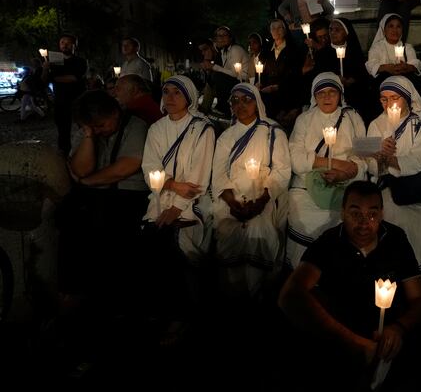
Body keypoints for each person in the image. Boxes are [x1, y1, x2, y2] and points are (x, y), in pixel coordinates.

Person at [278, 181, 421, 390]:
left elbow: (420, 299)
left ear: (382, 214)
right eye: (355, 213)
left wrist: (399, 328)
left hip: (388, 343)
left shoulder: (395, 239)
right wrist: (354, 343)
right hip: (341, 345)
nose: (364, 223)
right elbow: (289, 295)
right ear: (342, 213)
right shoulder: (330, 243)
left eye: (372, 214)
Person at [141, 75, 216, 341]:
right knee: (153, 247)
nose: (170, 98)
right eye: (166, 92)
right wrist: (173, 186)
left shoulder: (201, 129)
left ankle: (183, 315)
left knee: (177, 250)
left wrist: (178, 205)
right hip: (159, 199)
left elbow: (198, 177)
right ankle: (164, 308)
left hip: (191, 204)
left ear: (189, 97)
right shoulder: (156, 129)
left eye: (177, 93)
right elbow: (150, 169)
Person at [59, 89, 149, 309]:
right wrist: (89, 136)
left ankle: (112, 295)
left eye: (101, 125)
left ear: (115, 113)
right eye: (93, 127)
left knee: (107, 223)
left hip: (127, 192)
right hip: (95, 192)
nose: (99, 131)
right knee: (67, 220)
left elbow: (126, 167)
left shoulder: (136, 126)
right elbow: (81, 169)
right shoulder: (89, 128)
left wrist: (88, 182)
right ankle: (76, 289)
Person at [211, 82, 291, 297]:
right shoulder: (226, 137)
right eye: (235, 101)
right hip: (232, 196)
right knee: (229, 229)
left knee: (258, 227)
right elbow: (218, 174)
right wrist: (232, 202)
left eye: (247, 100)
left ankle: (259, 292)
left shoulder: (272, 132)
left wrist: (261, 201)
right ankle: (234, 293)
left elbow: (282, 170)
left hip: (264, 195)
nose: (240, 105)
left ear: (257, 103)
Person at [367, 76, 421, 294]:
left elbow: (418, 161)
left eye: (395, 98)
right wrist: (380, 155)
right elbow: (372, 167)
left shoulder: (420, 123)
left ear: (407, 98)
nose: (389, 104)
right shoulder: (376, 124)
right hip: (388, 186)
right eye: (383, 99)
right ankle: (397, 285)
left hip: (418, 186)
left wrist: (390, 158)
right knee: (394, 218)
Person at [286, 73, 367, 269]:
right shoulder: (304, 120)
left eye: (332, 92)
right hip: (308, 183)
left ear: (340, 94)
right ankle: (304, 276)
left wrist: (349, 171)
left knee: (344, 220)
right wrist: (336, 165)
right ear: (314, 97)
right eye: (321, 93)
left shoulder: (353, 117)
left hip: (347, 181)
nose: (327, 97)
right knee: (304, 218)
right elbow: (296, 159)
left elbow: (364, 155)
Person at [43, 33, 87, 154]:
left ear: (74, 45)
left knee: (84, 127)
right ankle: (64, 153)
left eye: (68, 43)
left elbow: (74, 78)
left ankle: (86, 150)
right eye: (62, 42)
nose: (65, 45)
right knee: (63, 130)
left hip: (78, 99)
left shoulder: (80, 61)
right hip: (61, 101)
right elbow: (44, 80)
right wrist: (45, 69)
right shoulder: (54, 62)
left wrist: (54, 78)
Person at [258, 19, 303, 128]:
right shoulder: (266, 51)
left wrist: (278, 86)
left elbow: (295, 74)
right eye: (273, 28)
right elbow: (260, 70)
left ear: (285, 30)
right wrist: (259, 83)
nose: (276, 31)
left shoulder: (293, 50)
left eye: (279, 28)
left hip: (286, 92)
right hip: (267, 92)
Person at [365, 13, 421, 93]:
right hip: (384, 84)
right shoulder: (376, 47)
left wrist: (406, 67)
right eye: (391, 26)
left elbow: (415, 63)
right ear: (384, 29)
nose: (395, 30)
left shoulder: (407, 47)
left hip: (404, 84)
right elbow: (371, 65)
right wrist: (387, 68)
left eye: (398, 26)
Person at [201, 26, 248, 117]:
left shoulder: (235, 49)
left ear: (230, 38)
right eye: (219, 36)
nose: (221, 38)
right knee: (213, 78)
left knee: (217, 75)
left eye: (224, 35)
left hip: (243, 81)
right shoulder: (223, 52)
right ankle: (205, 109)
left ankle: (222, 109)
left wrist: (214, 67)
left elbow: (234, 74)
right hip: (234, 81)